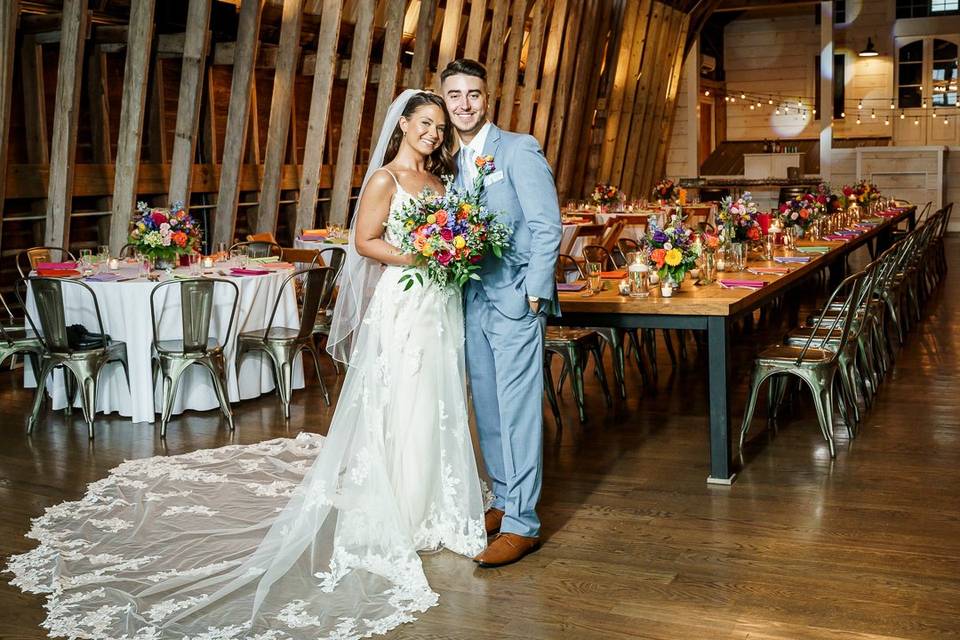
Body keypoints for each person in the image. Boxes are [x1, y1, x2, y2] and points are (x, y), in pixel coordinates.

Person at [7, 90, 487, 639]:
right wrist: (422, 254)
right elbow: (365, 242)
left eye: (439, 126)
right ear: (403, 123)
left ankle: (438, 502)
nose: (432, 133)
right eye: (424, 122)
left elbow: (450, 233)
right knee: (404, 397)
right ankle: (401, 506)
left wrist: (453, 251)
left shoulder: (442, 182)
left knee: (437, 399)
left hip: (438, 303)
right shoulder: (385, 180)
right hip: (405, 300)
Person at [440, 59, 562, 568]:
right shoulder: (449, 162)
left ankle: (524, 524)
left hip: (514, 300)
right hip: (471, 300)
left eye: (473, 94)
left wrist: (535, 294)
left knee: (517, 412)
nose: (465, 104)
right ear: (444, 101)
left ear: (487, 98)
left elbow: (546, 226)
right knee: (487, 411)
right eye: (454, 96)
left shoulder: (517, 149)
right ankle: (506, 500)